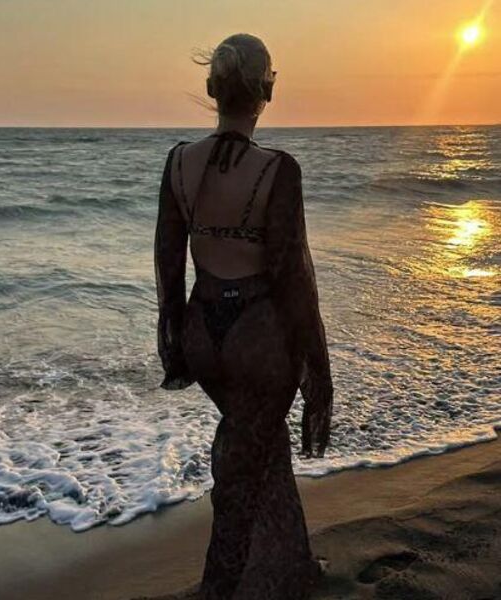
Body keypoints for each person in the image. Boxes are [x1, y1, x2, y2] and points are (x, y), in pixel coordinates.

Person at [154, 33, 333, 600]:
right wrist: (314, 365)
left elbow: (168, 263)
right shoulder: (278, 169)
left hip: (203, 334)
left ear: (212, 89)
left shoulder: (178, 162)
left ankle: (289, 567)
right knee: (241, 471)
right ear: (267, 92)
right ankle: (222, 585)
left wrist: (176, 341)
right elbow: (291, 275)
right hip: (256, 337)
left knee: (260, 446)